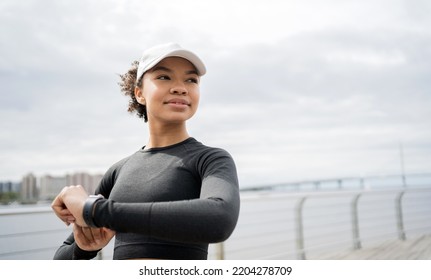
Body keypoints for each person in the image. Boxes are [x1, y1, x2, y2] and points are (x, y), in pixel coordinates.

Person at [51, 43, 240, 260]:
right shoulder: (119, 171)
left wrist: (94, 211)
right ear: (139, 94)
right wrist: (83, 248)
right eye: (164, 77)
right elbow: (60, 260)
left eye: (191, 80)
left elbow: (219, 219)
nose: (181, 87)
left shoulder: (210, 159)